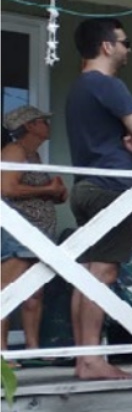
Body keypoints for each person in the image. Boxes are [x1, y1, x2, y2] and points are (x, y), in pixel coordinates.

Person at [66, 17, 132, 380]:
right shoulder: (109, 85)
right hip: (111, 190)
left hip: (85, 187)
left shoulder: (79, 88)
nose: (127, 49)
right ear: (107, 46)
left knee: (87, 274)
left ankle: (82, 357)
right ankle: (91, 360)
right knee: (102, 272)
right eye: (125, 42)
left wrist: (130, 147)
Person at [1, 106, 67, 363]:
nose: (48, 126)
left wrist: (55, 192)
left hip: (38, 234)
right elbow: (6, 187)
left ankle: (33, 348)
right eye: (43, 122)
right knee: (6, 290)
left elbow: (36, 190)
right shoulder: (15, 151)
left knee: (34, 293)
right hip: (19, 231)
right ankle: (2, 353)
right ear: (29, 126)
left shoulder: (34, 156)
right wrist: (47, 189)